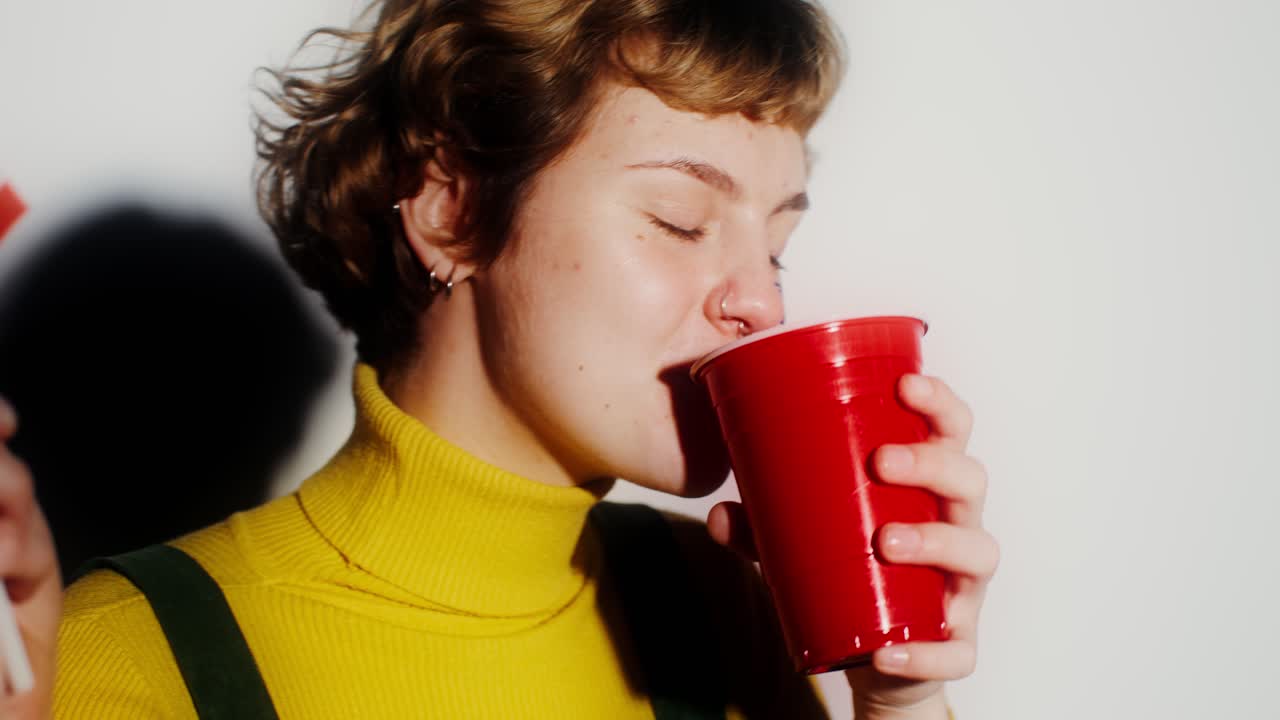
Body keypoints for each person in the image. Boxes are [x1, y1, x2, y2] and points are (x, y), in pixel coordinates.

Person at [4, 0, 1000, 717]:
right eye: (679, 218)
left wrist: (898, 702)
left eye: (774, 245)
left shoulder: (718, 611)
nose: (759, 299)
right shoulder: (119, 658)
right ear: (451, 211)